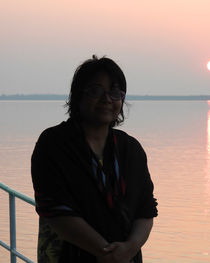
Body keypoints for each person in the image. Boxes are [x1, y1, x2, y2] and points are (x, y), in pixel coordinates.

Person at [31, 55, 158, 263]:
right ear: (78, 96)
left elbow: (146, 209)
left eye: (115, 92)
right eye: (96, 91)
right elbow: (55, 209)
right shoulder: (53, 144)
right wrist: (107, 253)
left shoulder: (131, 149)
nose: (106, 99)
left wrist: (129, 249)